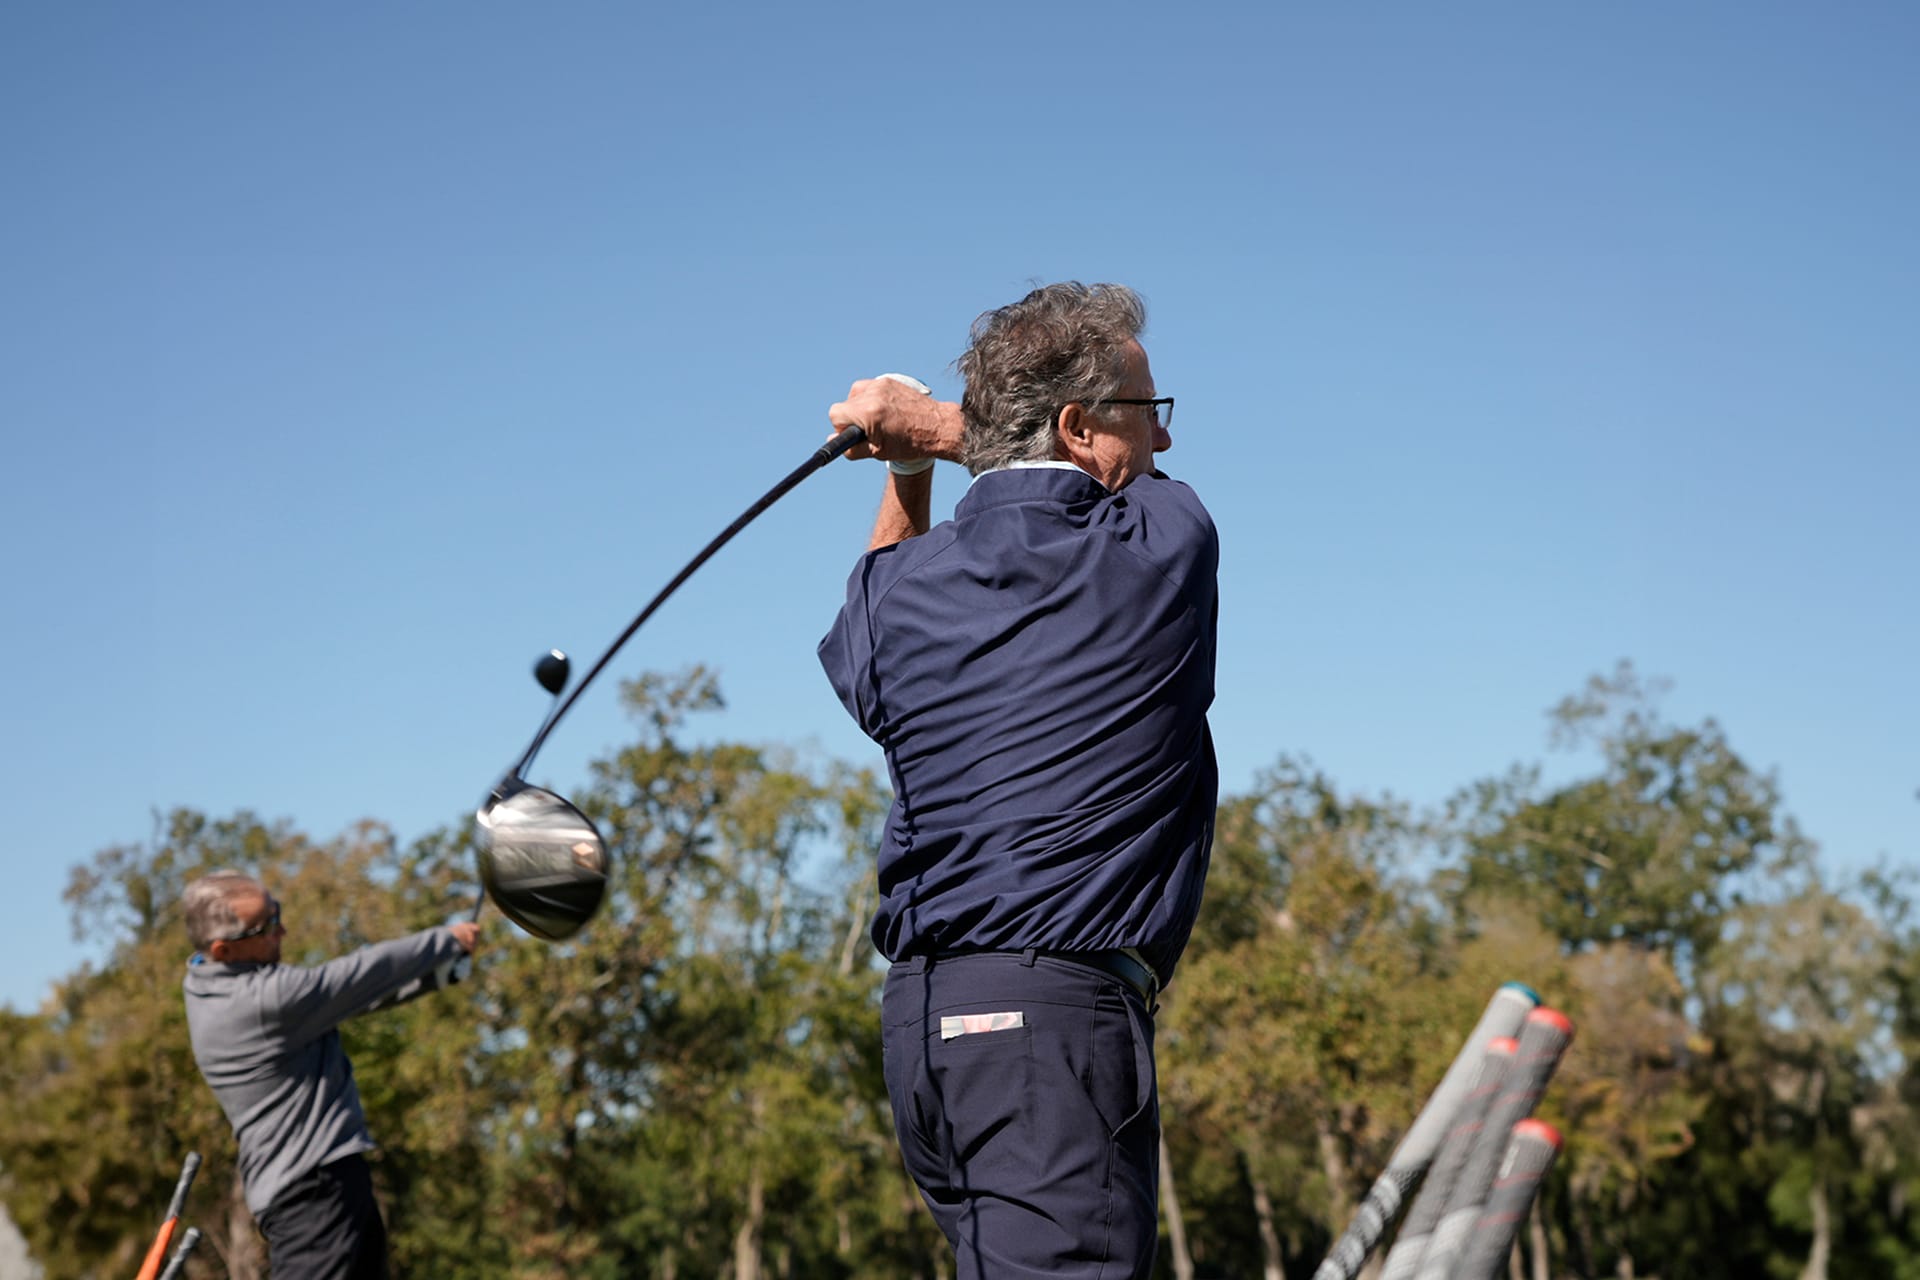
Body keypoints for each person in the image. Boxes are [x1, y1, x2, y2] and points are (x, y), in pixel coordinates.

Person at [817, 282, 1219, 1279]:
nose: (1161, 447)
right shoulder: (1160, 548)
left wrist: (907, 461)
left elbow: (864, 633)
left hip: (927, 1035)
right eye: (1147, 414)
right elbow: (1061, 470)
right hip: (1055, 1030)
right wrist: (936, 433)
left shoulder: (905, 590)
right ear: (1080, 425)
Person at [180, 870, 481, 1279]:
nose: (281, 930)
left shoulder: (203, 981)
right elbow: (357, 977)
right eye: (265, 926)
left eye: (276, 912)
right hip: (314, 1198)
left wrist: (434, 976)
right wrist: (447, 941)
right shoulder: (265, 1000)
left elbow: (344, 1001)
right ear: (224, 950)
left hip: (322, 1188)